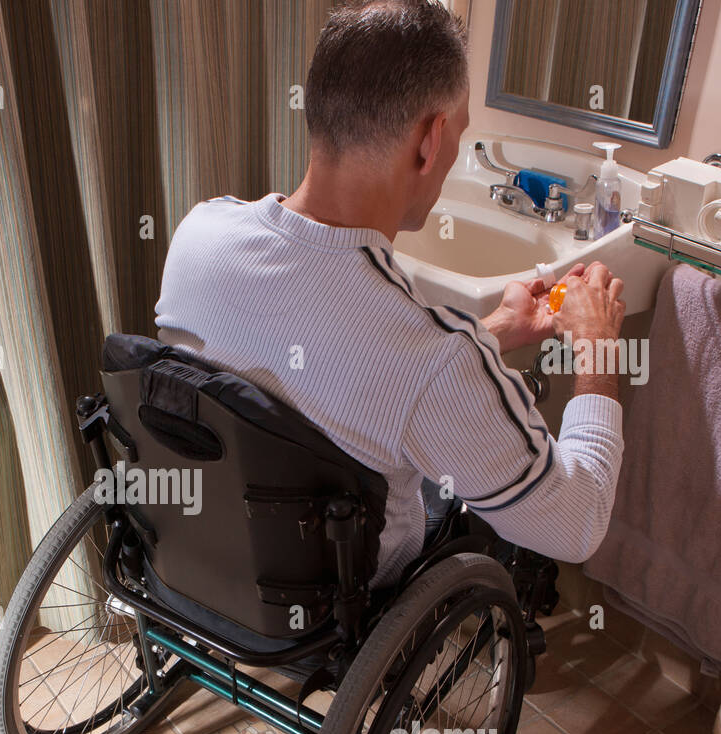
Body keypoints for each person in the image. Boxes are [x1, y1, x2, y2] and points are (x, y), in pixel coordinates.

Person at [155, 0, 627, 586]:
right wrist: (599, 346)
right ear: (430, 140)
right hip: (341, 589)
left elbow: (338, 368)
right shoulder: (434, 356)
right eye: (460, 132)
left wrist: (496, 331)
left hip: (200, 549)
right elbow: (576, 526)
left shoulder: (200, 231)